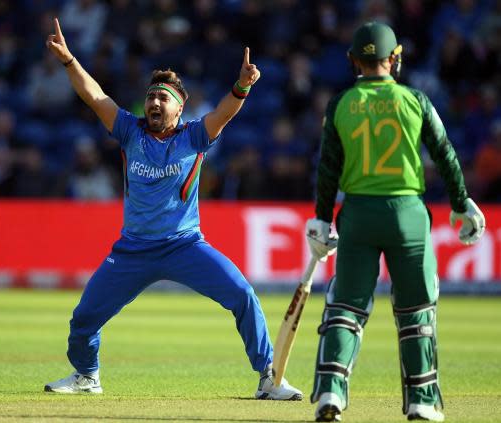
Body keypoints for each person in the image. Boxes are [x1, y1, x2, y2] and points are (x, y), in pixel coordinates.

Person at [43, 18, 302, 401]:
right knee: (83, 319)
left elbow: (225, 112)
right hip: (133, 250)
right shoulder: (130, 131)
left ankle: (269, 378)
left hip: (184, 246)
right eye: (150, 97)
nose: (154, 103)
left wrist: (243, 85)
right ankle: (86, 375)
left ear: (179, 107)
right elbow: (95, 96)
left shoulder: (195, 135)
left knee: (243, 295)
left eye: (163, 98)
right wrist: (69, 62)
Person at [305, 22, 486, 422]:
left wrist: (320, 218)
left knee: (345, 308)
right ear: (394, 59)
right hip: (408, 215)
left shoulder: (340, 104)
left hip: (359, 214)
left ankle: (331, 394)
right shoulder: (415, 100)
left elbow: (328, 167)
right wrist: (461, 203)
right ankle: (422, 400)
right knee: (417, 310)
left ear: (354, 60)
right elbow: (445, 153)